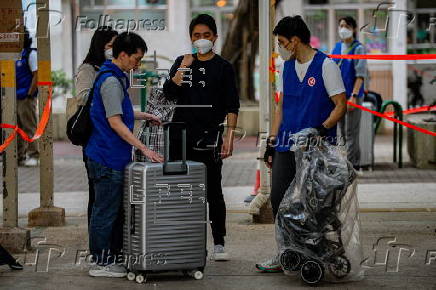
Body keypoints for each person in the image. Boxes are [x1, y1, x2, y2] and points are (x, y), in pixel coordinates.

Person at [256, 15, 347, 273]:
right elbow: (281, 106)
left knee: (314, 205)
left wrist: (321, 128)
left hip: (316, 149)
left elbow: (341, 105)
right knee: (279, 199)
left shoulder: (326, 66)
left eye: (282, 42)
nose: (280, 47)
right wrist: (271, 142)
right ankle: (285, 252)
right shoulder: (287, 68)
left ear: (295, 41)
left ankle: (319, 252)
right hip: (287, 145)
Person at [85, 31, 163, 278]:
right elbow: (115, 122)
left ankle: (106, 258)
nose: (137, 64)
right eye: (136, 59)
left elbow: (121, 112)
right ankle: (101, 262)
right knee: (105, 211)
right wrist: (144, 148)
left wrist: (144, 116)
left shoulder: (115, 77)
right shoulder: (110, 81)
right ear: (122, 55)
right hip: (106, 156)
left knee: (109, 209)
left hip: (111, 155)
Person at [163, 14, 240, 261]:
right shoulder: (181, 62)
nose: (201, 39)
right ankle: (179, 239)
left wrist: (229, 137)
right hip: (180, 137)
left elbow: (232, 106)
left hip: (209, 137)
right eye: (196, 35)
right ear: (190, 38)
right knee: (178, 189)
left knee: (213, 191)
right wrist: (184, 66)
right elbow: (169, 93)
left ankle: (219, 242)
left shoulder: (224, 68)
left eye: (206, 35)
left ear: (215, 37)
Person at [73, 26, 118, 229]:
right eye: (110, 46)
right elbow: (82, 96)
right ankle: (98, 244)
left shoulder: (114, 68)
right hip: (94, 137)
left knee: (109, 194)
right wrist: (104, 89)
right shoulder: (88, 69)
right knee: (97, 193)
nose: (113, 50)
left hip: (112, 138)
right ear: (100, 46)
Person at [331, 16, 368, 169]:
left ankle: (352, 166)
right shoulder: (336, 48)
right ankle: (344, 164)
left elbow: (360, 75)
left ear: (353, 29)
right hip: (338, 99)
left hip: (353, 97)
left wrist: (353, 96)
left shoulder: (358, 48)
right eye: (340, 25)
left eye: (346, 25)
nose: (342, 29)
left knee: (352, 132)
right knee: (342, 133)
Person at [16, 27, 39, 167]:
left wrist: (30, 94)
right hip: (15, 97)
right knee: (17, 128)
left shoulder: (31, 54)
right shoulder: (15, 56)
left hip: (26, 97)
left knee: (29, 127)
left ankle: (34, 155)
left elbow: (37, 74)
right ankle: (20, 155)